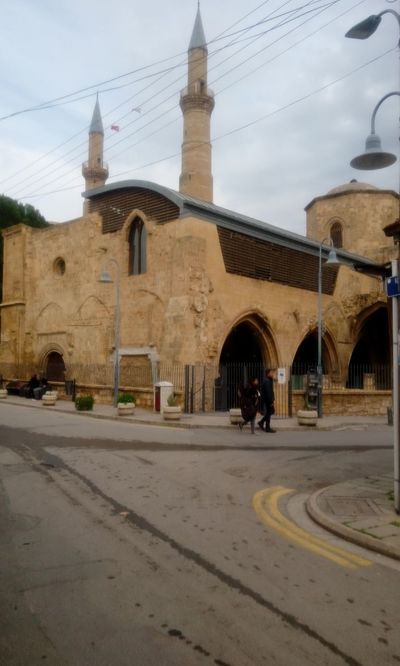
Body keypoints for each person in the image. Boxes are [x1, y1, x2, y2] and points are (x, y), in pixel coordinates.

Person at [258, 368, 276, 433]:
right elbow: (268, 392)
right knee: (269, 412)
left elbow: (270, 391)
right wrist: (271, 401)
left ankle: (261, 422)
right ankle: (267, 428)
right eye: (271, 373)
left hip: (267, 400)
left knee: (269, 412)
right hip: (268, 400)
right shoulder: (267, 381)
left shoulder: (268, 380)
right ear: (268, 374)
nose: (273, 374)